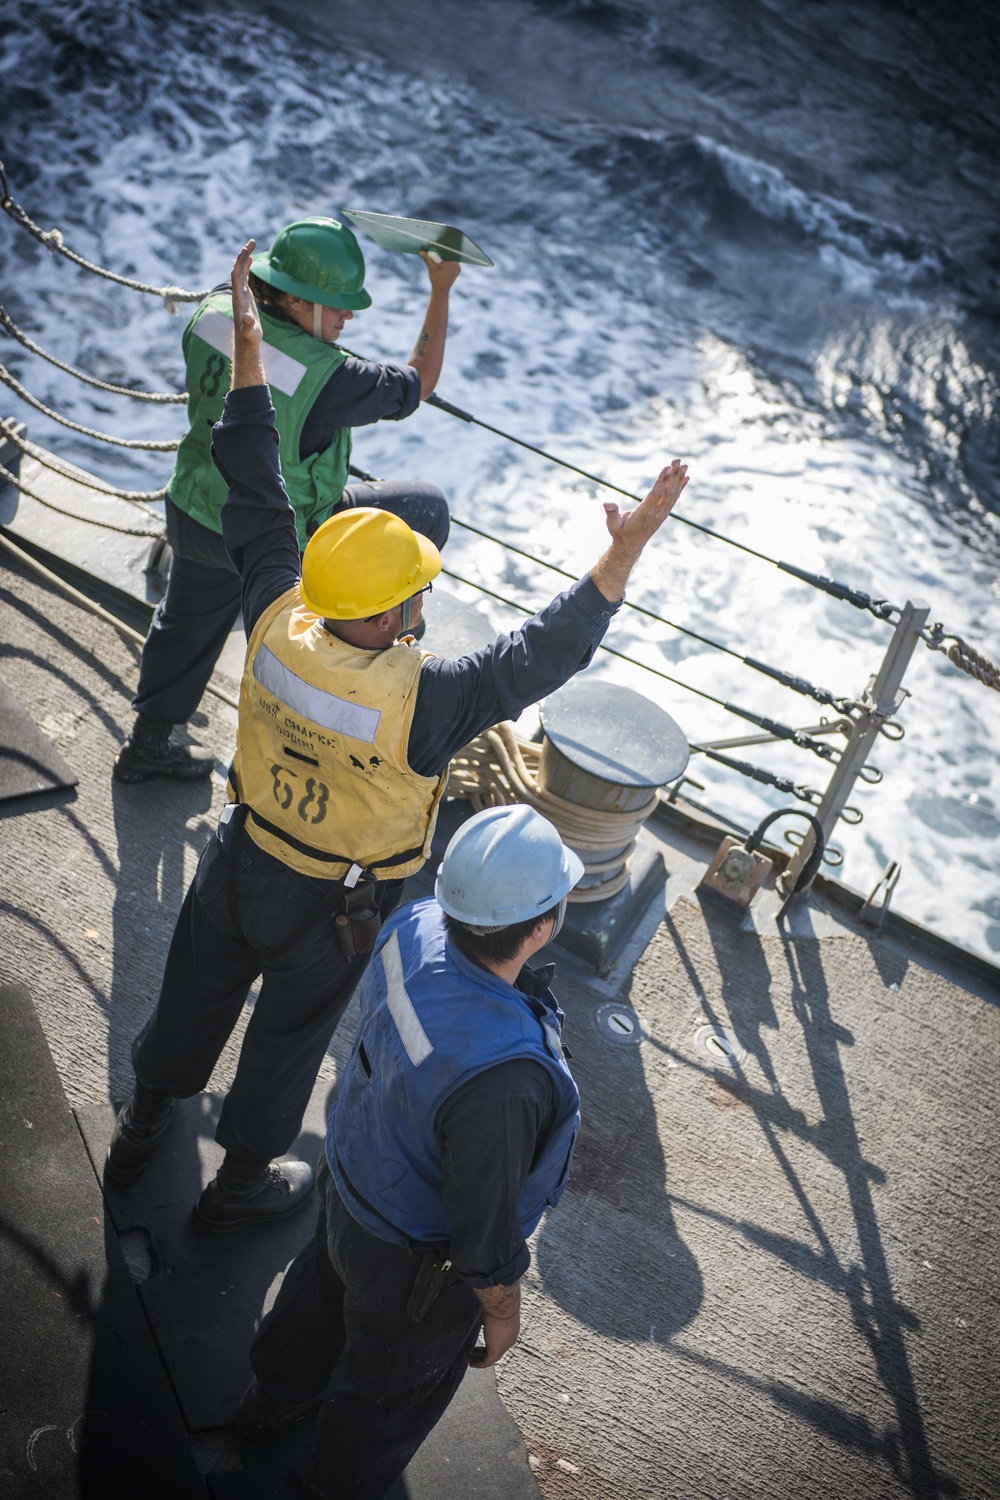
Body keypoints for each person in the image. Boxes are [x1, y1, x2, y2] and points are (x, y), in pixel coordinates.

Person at [104, 239, 689, 1234]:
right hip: (331, 902)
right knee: (287, 1041)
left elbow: (253, 475)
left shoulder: (278, 613)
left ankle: (142, 1129)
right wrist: (620, 554)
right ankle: (239, 1187)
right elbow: (537, 658)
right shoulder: (424, 702)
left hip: (239, 859)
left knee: (194, 996)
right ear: (383, 616)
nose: (424, 600)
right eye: (414, 591)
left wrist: (252, 343)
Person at [233, 804, 584, 1499]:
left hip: (354, 1176)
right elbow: (483, 1229)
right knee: (385, 1393)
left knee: (316, 1298)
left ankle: (267, 1403)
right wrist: (503, 1313)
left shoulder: (415, 923)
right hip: (415, 1264)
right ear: (541, 927)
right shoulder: (504, 1076)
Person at [113, 215, 459, 785]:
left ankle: (148, 746)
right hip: (274, 537)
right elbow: (418, 381)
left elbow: (240, 309)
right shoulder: (333, 377)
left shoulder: (214, 311)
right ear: (297, 301)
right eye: (338, 303)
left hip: (195, 508)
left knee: (186, 622)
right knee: (425, 510)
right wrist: (440, 289)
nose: (349, 315)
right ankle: (364, 685)